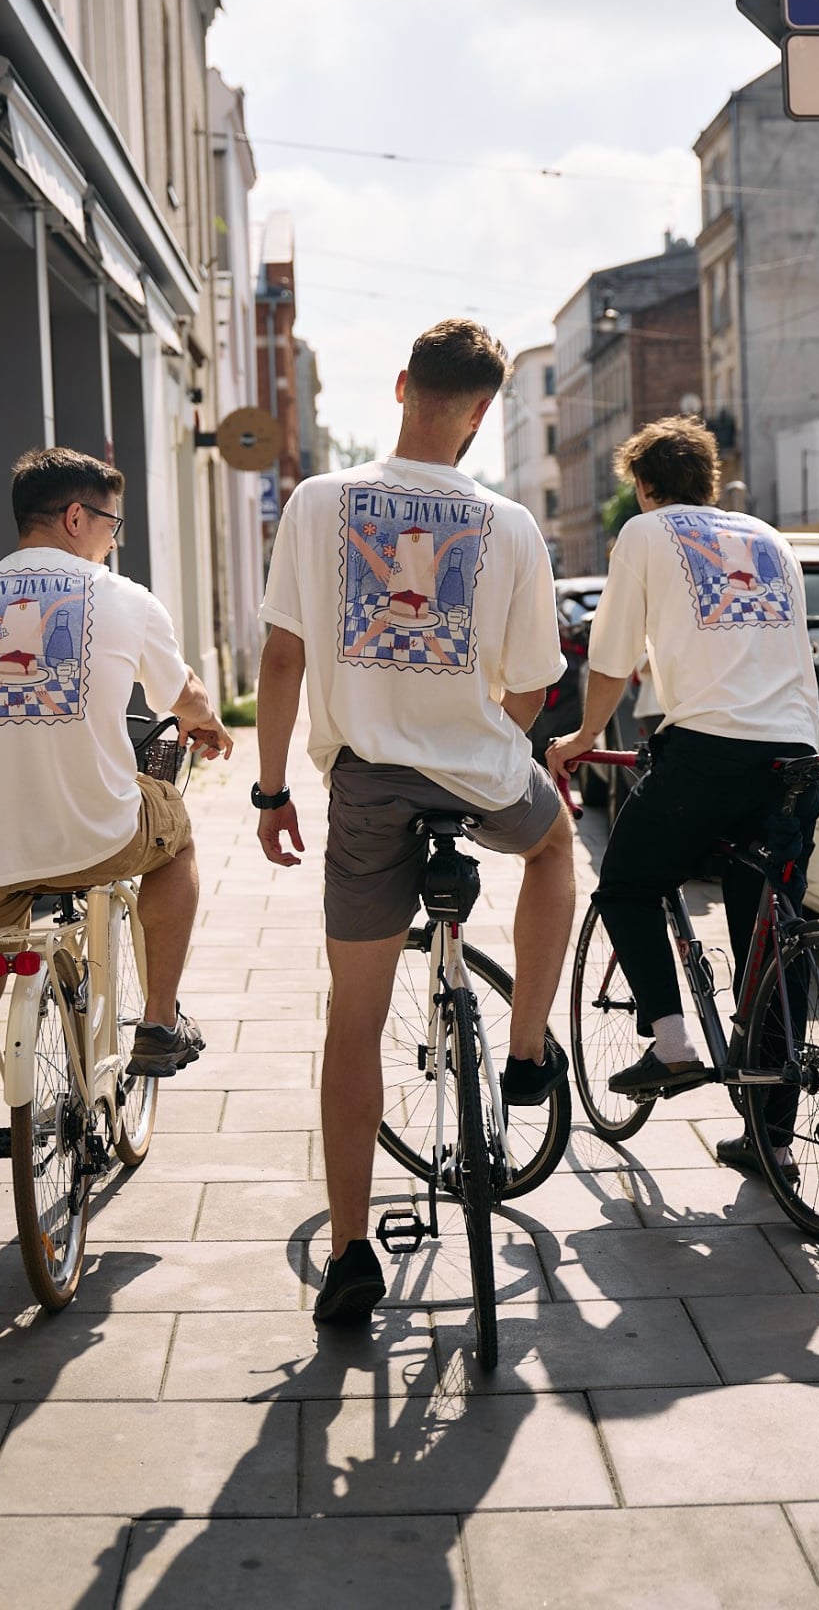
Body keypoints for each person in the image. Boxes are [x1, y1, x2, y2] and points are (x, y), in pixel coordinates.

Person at [255, 319, 575, 1324]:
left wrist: (272, 789)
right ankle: (525, 1049)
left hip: (367, 786)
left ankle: (351, 1250)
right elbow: (533, 687)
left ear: (401, 386)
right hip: (480, 775)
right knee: (558, 846)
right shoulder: (511, 524)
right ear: (482, 412)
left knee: (355, 1018)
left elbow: (279, 662)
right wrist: (483, 737)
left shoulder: (318, 502)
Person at [0, 446, 232, 1255]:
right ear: (77, 518)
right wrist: (206, 722)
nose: (112, 543)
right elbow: (181, 694)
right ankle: (158, 1021)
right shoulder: (121, 598)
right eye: (110, 526)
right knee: (176, 837)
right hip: (94, 839)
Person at [546, 416, 819, 1178]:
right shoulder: (771, 537)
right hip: (797, 757)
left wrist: (578, 738)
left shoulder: (646, 533)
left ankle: (670, 1045)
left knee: (629, 885)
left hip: (709, 758)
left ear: (644, 486)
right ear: (711, 477)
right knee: (770, 931)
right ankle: (773, 1139)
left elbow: (611, 657)